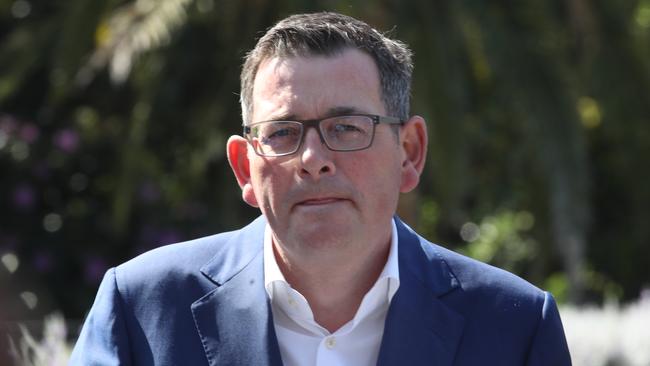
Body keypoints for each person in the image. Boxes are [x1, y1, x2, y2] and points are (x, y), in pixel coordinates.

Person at [69, 12, 571, 366]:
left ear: (410, 153)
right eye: (283, 132)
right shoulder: (141, 310)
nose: (313, 160)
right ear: (245, 168)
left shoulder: (514, 327)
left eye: (347, 128)